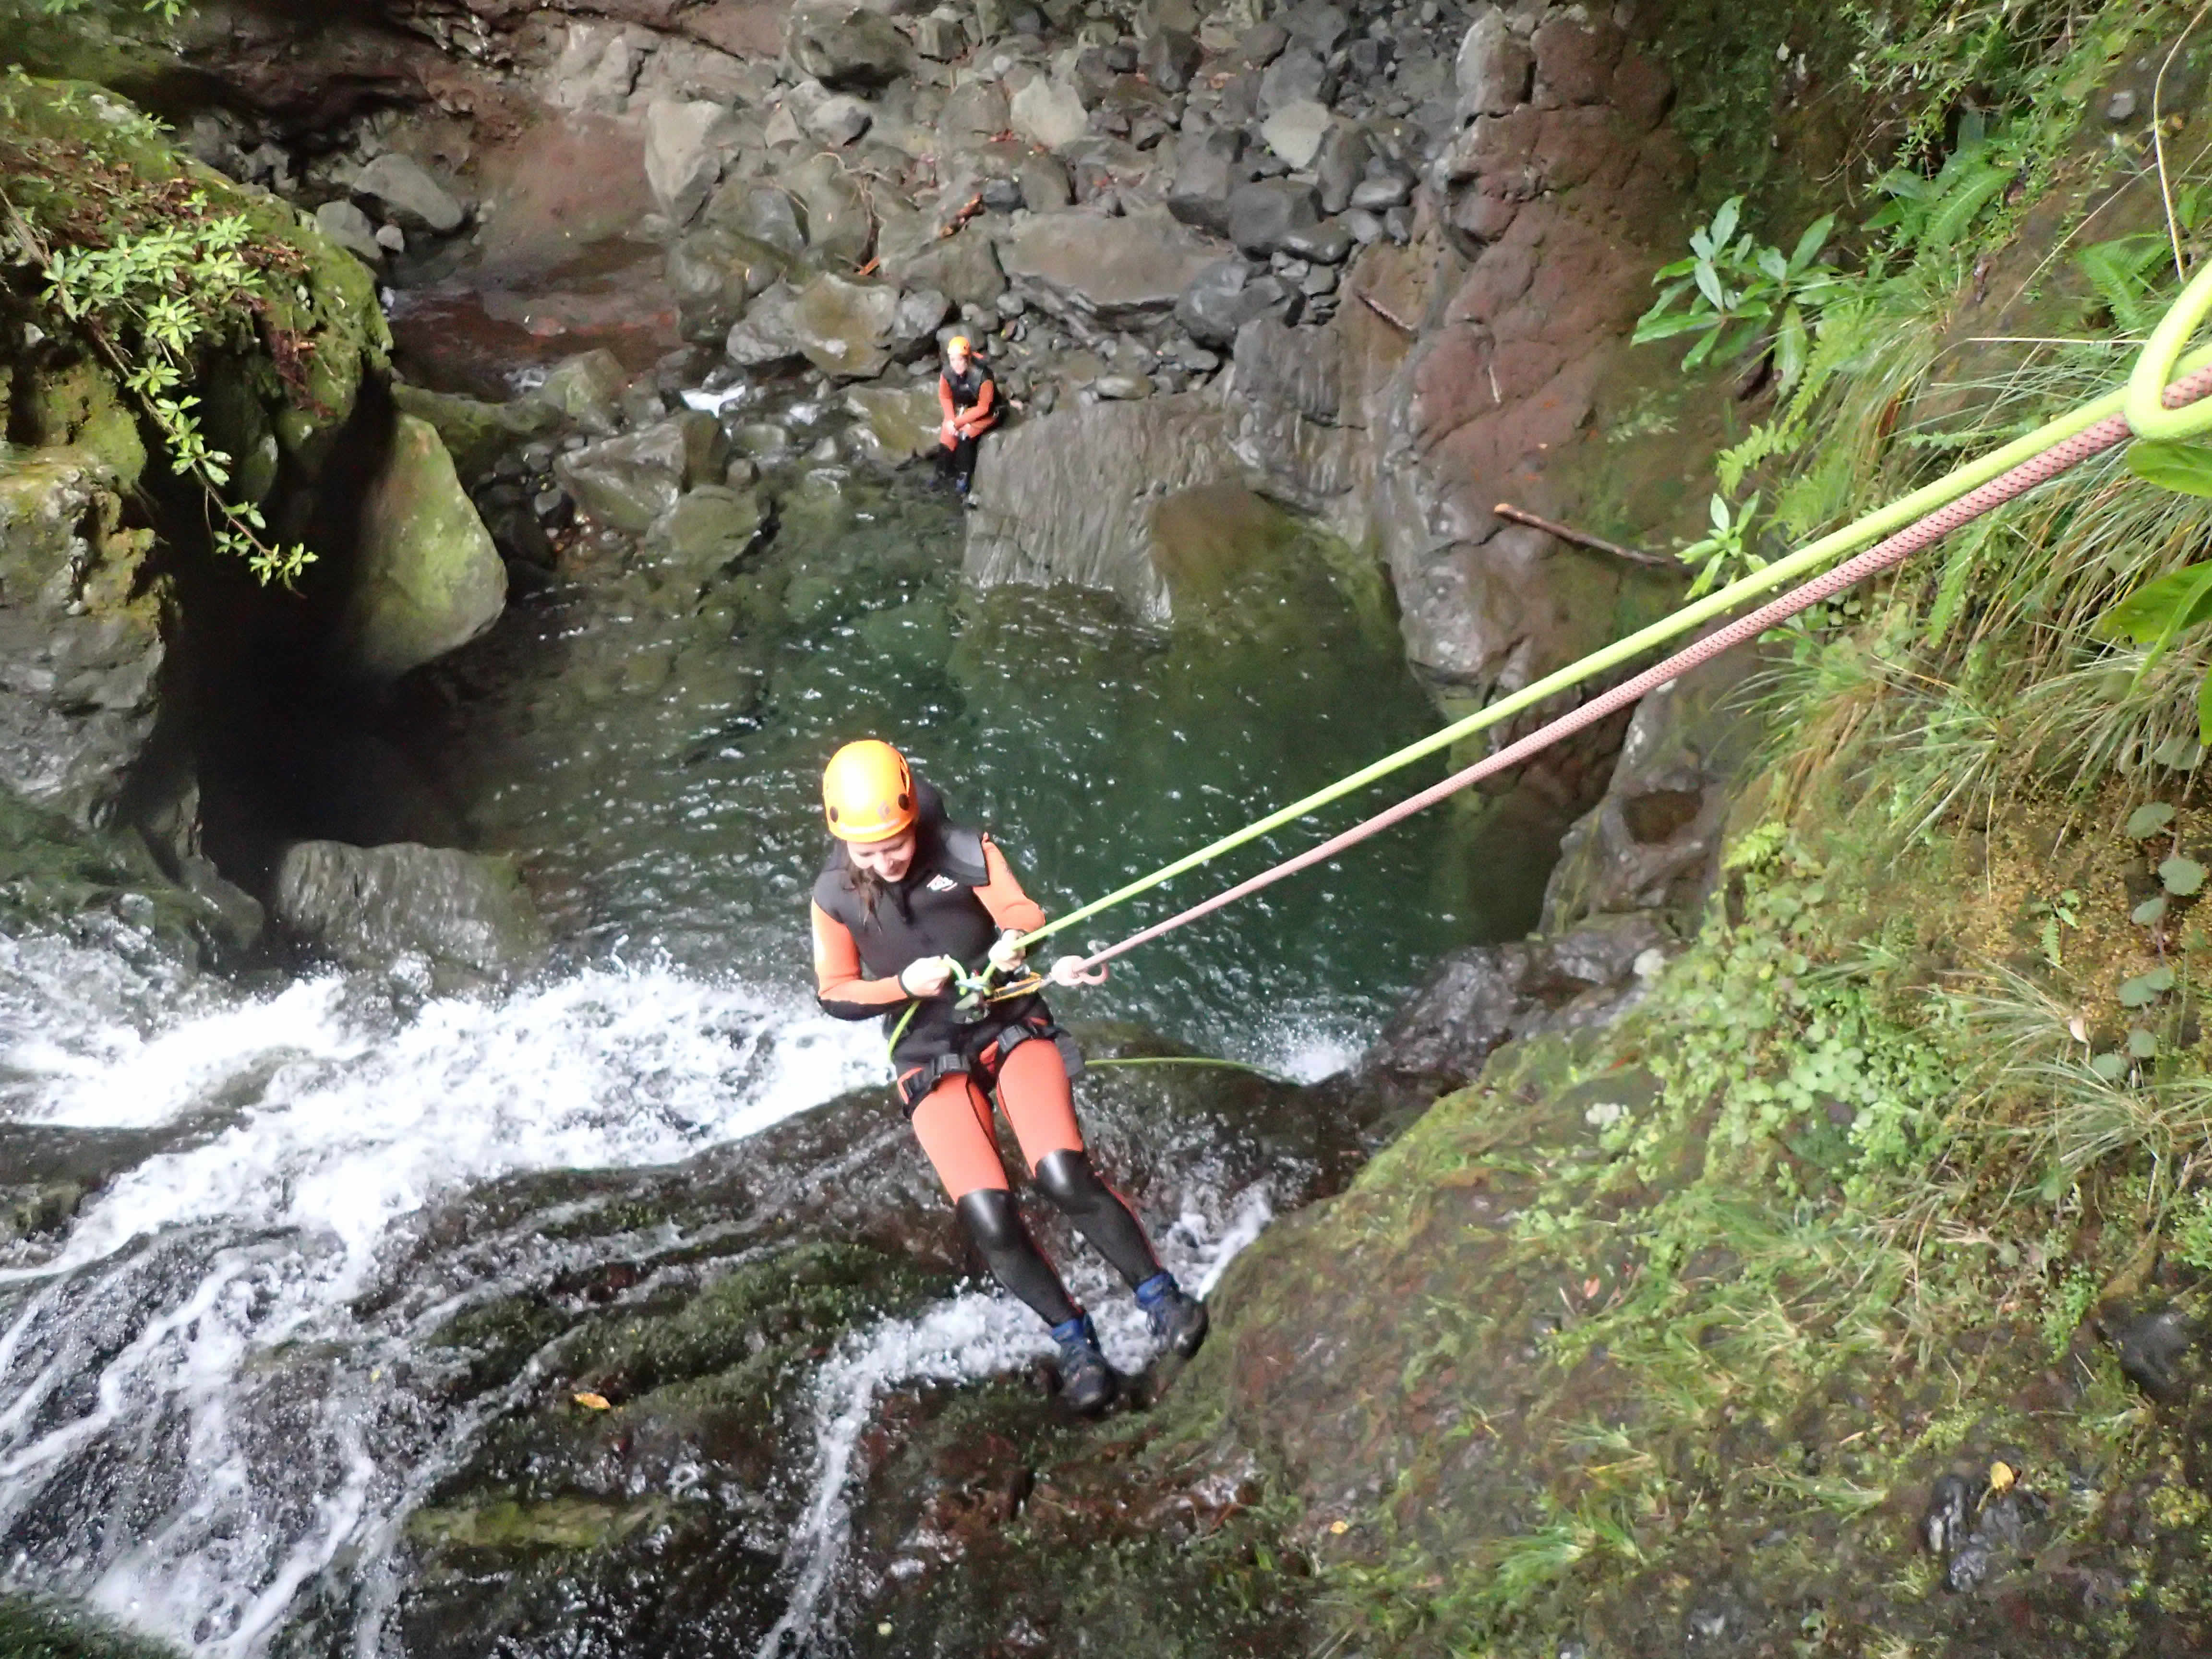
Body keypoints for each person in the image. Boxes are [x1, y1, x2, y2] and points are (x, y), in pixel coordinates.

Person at [807, 739, 1208, 1413]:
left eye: (895, 845)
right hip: (928, 1052)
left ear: (912, 819)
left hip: (1010, 1022)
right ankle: (1076, 1343)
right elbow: (834, 991)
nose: (884, 861)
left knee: (1061, 1172)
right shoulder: (834, 897)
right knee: (988, 1215)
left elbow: (1024, 913)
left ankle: (1160, 1297)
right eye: (868, 852)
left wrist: (1012, 944)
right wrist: (901, 985)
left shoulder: (965, 849)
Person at [935, 335, 998, 499]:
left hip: (988, 411)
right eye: (953, 360)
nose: (956, 364)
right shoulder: (947, 373)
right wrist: (951, 420)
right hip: (964, 409)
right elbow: (945, 397)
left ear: (968, 359)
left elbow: (984, 407)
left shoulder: (983, 376)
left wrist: (958, 423)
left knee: (965, 435)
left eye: (960, 360)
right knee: (947, 435)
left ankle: (964, 478)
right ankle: (942, 473)